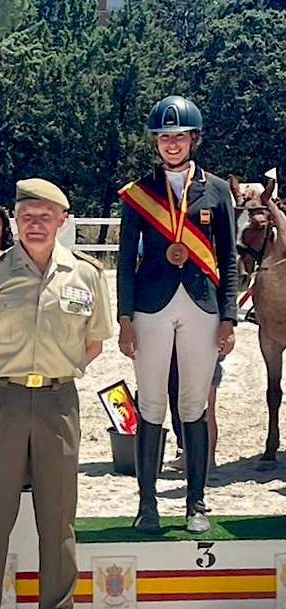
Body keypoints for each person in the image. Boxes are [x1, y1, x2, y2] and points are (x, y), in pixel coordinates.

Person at [0, 178, 113, 609]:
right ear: (14, 222)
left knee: (59, 520)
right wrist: (7, 374)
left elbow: (94, 343)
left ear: (63, 220)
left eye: (46, 217)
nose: (36, 225)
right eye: (27, 217)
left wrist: (52, 372)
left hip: (57, 404)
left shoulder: (86, 275)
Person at [117, 95, 237, 534]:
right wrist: (124, 318)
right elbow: (126, 258)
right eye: (164, 137)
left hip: (203, 305)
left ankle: (196, 503)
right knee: (150, 402)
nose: (171, 144)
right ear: (156, 142)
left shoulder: (218, 190)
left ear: (193, 139)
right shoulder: (138, 194)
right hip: (150, 306)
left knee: (193, 404)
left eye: (179, 136)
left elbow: (228, 258)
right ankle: (147, 505)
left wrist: (229, 317)